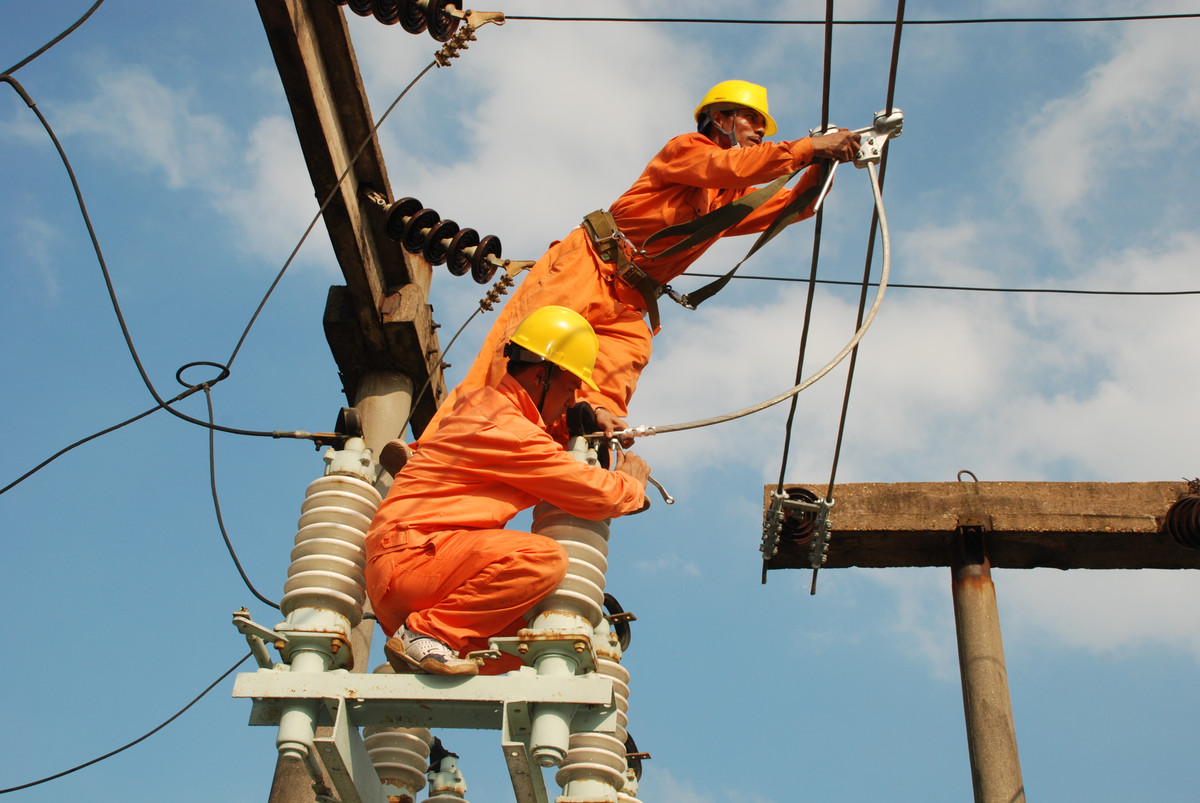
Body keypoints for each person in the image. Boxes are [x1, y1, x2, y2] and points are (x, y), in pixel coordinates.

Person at [421, 79, 862, 440]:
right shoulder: (687, 149)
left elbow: (796, 207)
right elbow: (738, 166)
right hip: (591, 263)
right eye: (750, 118)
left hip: (631, 299)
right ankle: (436, 446)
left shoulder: (733, 199)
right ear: (720, 118)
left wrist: (826, 161)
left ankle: (585, 431)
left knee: (622, 359)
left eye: (762, 125)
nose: (758, 130)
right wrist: (811, 145)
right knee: (521, 354)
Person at [365, 306, 652, 676]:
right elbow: (593, 492)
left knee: (539, 642)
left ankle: (420, 661)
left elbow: (538, 436)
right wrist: (630, 483)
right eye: (569, 388)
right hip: (414, 560)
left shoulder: (490, 411)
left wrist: (586, 413)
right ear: (539, 377)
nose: (570, 400)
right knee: (543, 558)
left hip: (415, 576)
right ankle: (427, 635)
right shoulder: (505, 428)